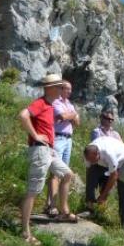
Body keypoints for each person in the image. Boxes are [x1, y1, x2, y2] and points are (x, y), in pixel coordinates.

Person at [19, 74, 77, 245]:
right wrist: (36, 135)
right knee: (34, 190)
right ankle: (25, 232)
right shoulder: (41, 103)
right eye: (59, 87)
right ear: (51, 88)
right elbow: (23, 115)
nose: (62, 90)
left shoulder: (50, 106)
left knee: (67, 174)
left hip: (48, 150)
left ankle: (62, 211)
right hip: (39, 150)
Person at [45, 81, 80, 216]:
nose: (69, 91)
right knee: (55, 171)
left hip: (68, 139)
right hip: (58, 138)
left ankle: (55, 204)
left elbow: (77, 122)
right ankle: (52, 206)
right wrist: (72, 115)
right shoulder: (56, 102)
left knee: (64, 172)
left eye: (70, 89)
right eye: (67, 89)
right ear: (60, 89)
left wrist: (70, 115)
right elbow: (62, 116)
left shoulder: (69, 104)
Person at [91, 110, 124, 225]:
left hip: (117, 165)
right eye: (107, 119)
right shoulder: (96, 131)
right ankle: (97, 213)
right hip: (103, 165)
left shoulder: (116, 134)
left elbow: (121, 147)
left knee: (123, 192)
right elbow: (95, 148)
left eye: (112, 120)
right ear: (101, 118)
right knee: (103, 189)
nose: (109, 122)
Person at [84, 136, 124, 210]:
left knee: (121, 189)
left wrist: (103, 195)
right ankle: (89, 207)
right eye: (89, 160)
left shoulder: (109, 154)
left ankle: (102, 208)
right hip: (105, 160)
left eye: (93, 160)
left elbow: (114, 176)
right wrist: (89, 187)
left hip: (123, 161)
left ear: (98, 153)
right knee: (91, 174)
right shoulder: (88, 153)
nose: (91, 162)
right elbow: (88, 171)